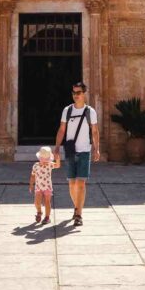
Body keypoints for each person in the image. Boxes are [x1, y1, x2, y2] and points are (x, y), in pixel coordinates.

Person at [53, 81, 100, 226]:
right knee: (72, 183)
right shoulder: (67, 110)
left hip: (85, 150)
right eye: (74, 93)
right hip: (70, 151)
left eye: (78, 93)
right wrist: (56, 148)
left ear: (84, 93)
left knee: (80, 183)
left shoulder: (90, 112)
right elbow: (62, 130)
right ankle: (76, 207)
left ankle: (79, 214)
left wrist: (96, 148)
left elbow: (95, 131)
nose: (76, 95)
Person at [29, 146, 60, 225]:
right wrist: (31, 185)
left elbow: (57, 165)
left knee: (47, 202)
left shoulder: (50, 165)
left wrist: (58, 158)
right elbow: (32, 175)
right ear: (39, 158)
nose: (45, 162)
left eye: (47, 160)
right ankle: (39, 212)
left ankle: (47, 217)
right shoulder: (36, 165)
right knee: (37, 202)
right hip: (38, 187)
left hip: (47, 187)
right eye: (43, 160)